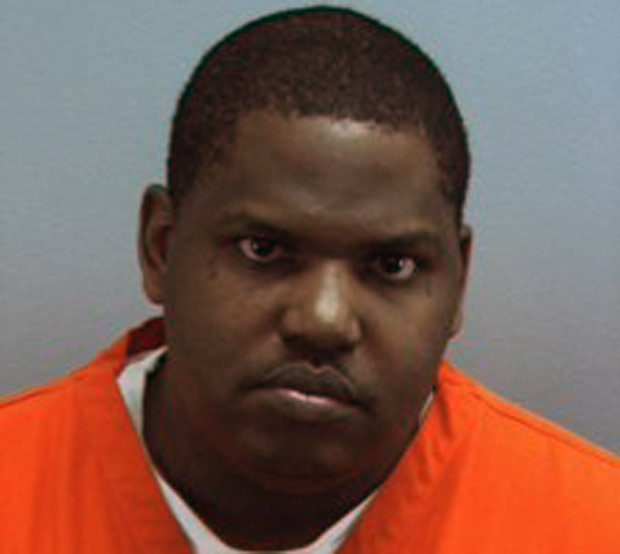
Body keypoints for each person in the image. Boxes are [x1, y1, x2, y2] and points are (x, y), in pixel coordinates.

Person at [1, 6, 618, 553]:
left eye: (392, 266)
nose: (324, 321)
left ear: (458, 284)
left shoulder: (596, 526)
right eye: (264, 250)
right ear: (160, 247)